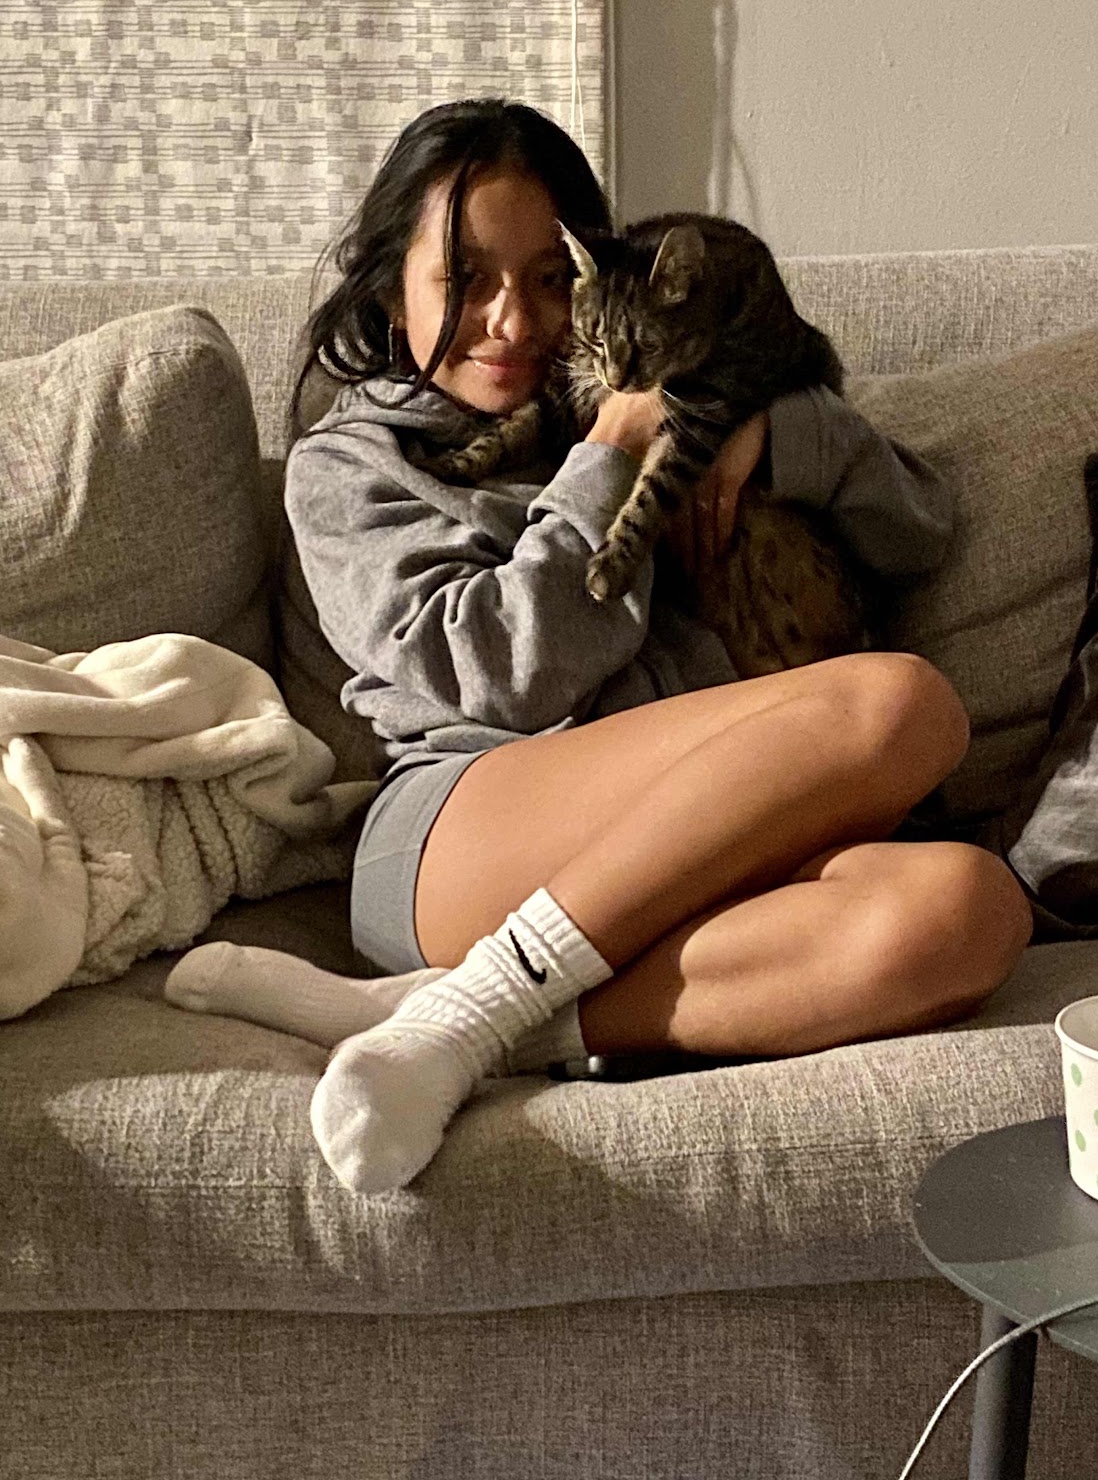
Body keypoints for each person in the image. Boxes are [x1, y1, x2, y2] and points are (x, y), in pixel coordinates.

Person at [165, 99, 1032, 1194]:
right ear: (392, 293)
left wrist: (772, 432)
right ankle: (481, 995)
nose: (513, 322)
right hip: (462, 828)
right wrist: (612, 451)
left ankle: (463, 1016)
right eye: (465, 278)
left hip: (682, 845)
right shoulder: (350, 464)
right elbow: (498, 676)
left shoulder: (670, 375)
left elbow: (919, 528)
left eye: (547, 279)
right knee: (900, 706)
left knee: (967, 912)